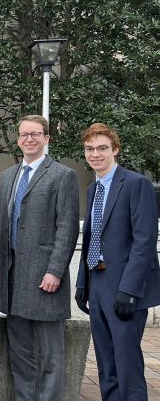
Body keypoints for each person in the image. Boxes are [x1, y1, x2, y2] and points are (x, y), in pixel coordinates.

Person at [0, 115, 79, 401]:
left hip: (45, 276)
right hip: (12, 275)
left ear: (46, 138)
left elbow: (67, 227)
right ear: (18, 139)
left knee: (52, 353)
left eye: (35, 134)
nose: (29, 139)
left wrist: (56, 270)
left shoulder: (63, 175)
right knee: (20, 350)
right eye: (24, 134)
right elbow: (1, 223)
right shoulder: (7, 176)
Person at [75, 123, 160, 401]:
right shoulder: (93, 189)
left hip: (124, 287)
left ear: (115, 149)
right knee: (105, 362)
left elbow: (144, 241)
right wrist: (82, 284)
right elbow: (90, 239)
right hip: (96, 281)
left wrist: (129, 290)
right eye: (89, 149)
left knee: (126, 363)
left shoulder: (137, 184)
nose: (95, 154)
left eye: (102, 148)